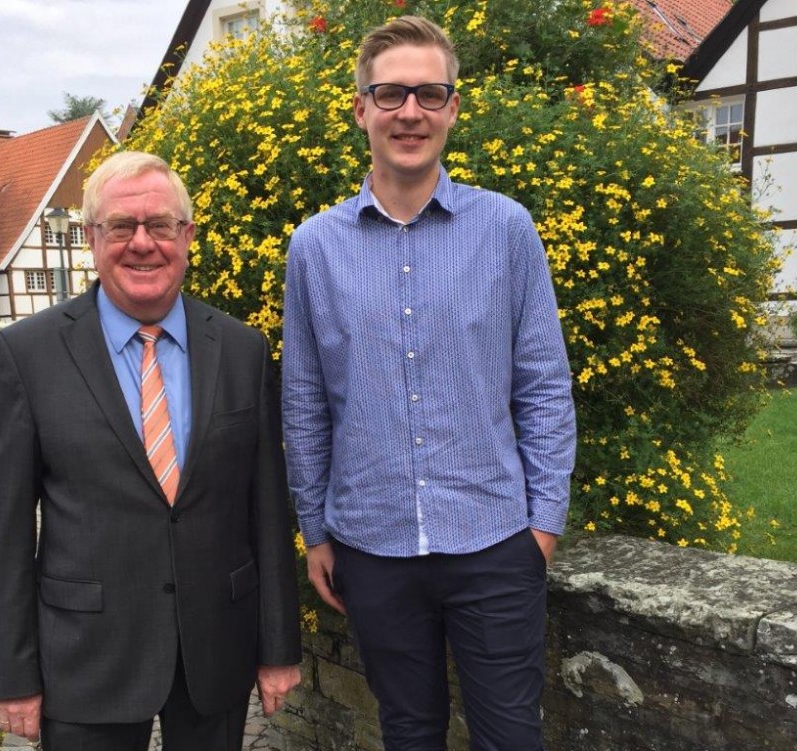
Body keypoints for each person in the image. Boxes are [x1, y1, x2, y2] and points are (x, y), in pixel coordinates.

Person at [282, 15, 576, 751]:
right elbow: (306, 400)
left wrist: (541, 526)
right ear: (361, 108)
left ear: (451, 107)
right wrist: (315, 527)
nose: (409, 111)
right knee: (407, 732)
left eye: (428, 93)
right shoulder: (314, 247)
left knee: (510, 734)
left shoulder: (506, 230)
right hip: (372, 545)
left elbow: (543, 383)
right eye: (390, 94)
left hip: (495, 541)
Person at [0, 150, 302, 751]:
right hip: (86, 657)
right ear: (92, 238)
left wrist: (279, 647)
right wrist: (12, 675)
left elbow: (267, 511)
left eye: (160, 225)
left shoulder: (241, 350)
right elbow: (3, 535)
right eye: (121, 227)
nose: (142, 243)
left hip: (215, 650)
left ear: (188, 236)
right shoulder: (28, 355)